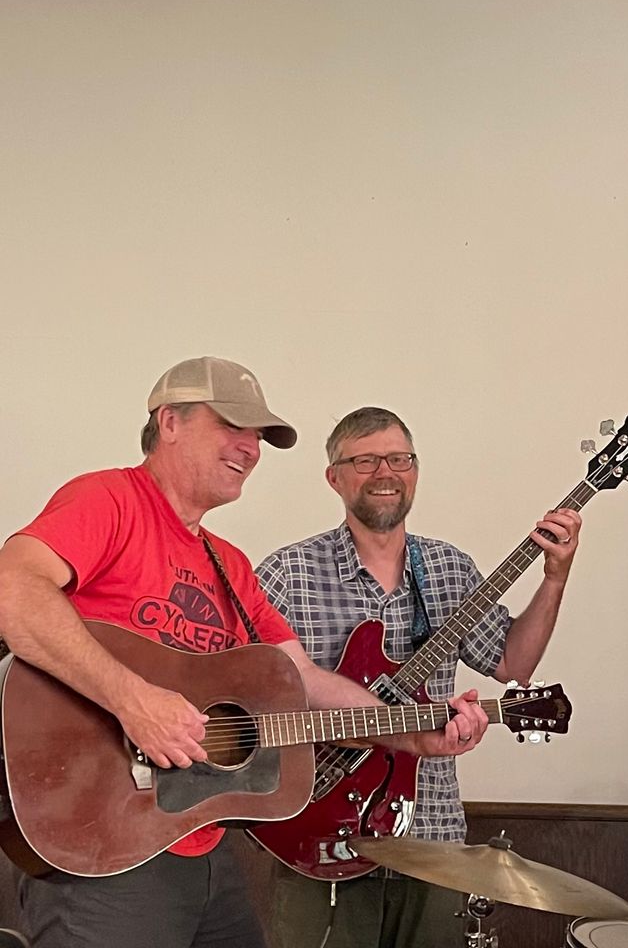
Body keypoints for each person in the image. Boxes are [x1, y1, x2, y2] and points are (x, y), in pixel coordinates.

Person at [0, 358, 489, 948]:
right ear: (170, 421)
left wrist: (411, 734)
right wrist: (135, 701)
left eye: (258, 435)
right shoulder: (110, 500)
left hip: (198, 842)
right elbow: (13, 589)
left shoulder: (229, 565)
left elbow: (303, 679)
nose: (250, 448)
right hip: (102, 840)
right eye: (232, 425)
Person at [255, 404, 584, 948]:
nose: (385, 473)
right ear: (334, 477)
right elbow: (249, 695)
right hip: (315, 833)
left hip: (433, 837)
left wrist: (554, 578)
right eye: (364, 461)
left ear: (415, 469)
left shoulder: (449, 568)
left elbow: (513, 664)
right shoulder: (287, 574)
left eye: (399, 459)